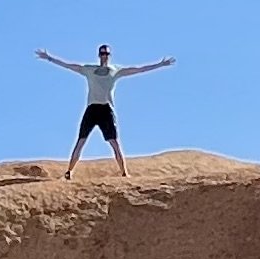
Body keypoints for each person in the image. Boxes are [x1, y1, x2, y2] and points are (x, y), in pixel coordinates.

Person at [36, 40, 173, 175]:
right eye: (102, 53)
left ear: (110, 55)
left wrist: (160, 64)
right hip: (92, 109)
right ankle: (69, 171)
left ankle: (124, 172)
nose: (104, 56)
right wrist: (49, 58)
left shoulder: (116, 71)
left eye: (106, 53)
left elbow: (138, 69)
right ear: (98, 55)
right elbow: (69, 66)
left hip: (106, 110)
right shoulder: (89, 70)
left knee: (115, 143)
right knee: (81, 141)